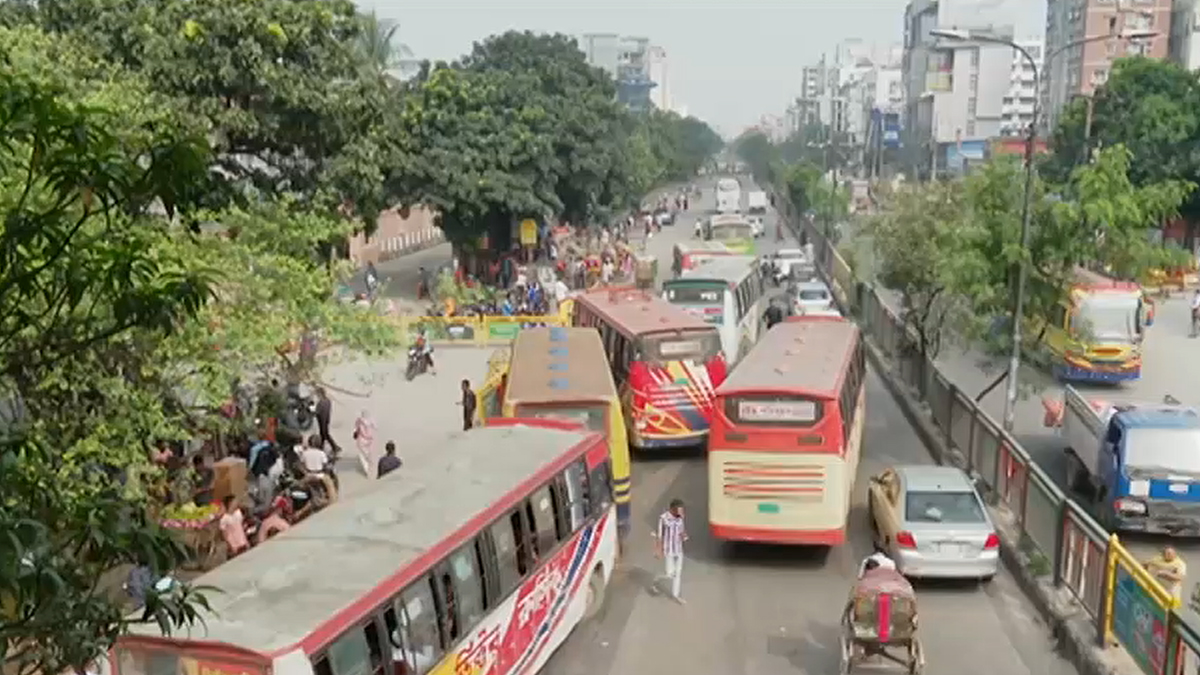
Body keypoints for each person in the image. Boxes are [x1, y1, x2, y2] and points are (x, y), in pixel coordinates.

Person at [654, 498, 688, 603]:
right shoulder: (663, 518)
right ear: (673, 509)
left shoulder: (680, 518)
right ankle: (656, 581)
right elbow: (660, 535)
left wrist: (684, 536)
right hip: (668, 550)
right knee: (669, 574)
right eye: (679, 510)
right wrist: (659, 550)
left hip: (678, 549)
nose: (681, 512)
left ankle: (676, 595)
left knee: (678, 573)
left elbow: (682, 531)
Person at [314, 387, 341, 456]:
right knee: (324, 434)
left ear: (319, 394)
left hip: (321, 420)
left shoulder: (321, 402)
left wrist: (312, 411)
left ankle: (334, 447)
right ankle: (322, 447)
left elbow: (317, 412)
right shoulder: (328, 401)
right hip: (326, 419)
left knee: (324, 434)